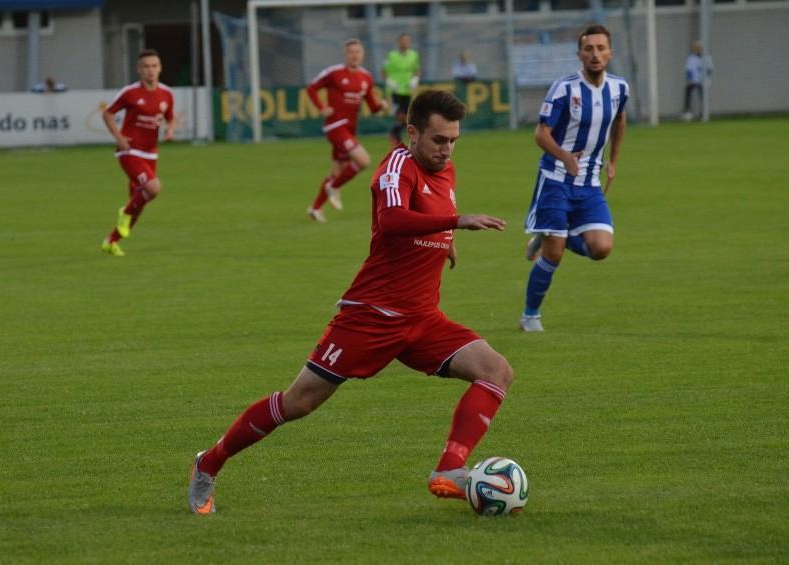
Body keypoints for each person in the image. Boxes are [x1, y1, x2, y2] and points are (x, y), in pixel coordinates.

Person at [188, 89, 513, 515]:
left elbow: (422, 219)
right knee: (299, 402)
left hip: (422, 319)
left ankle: (449, 469)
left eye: (453, 140)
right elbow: (394, 219)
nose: (446, 150)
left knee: (496, 371)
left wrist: (443, 241)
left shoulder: (445, 171)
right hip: (370, 317)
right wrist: (456, 222)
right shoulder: (395, 167)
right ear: (412, 133)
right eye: (438, 140)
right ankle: (208, 463)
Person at [519, 24, 628, 332]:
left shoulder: (620, 88)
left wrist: (614, 161)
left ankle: (552, 237)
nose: (595, 54)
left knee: (602, 248)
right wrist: (565, 156)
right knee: (552, 256)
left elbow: (620, 118)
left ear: (610, 53)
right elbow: (541, 134)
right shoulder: (564, 88)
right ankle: (530, 315)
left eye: (601, 48)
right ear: (579, 54)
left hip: (590, 183)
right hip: (555, 180)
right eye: (589, 49)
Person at [101, 49, 177, 256]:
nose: (150, 71)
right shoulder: (130, 92)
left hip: (151, 153)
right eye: (146, 66)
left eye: (154, 66)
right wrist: (118, 137)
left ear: (160, 68)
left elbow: (170, 117)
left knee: (139, 200)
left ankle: (112, 241)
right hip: (130, 151)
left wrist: (170, 129)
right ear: (139, 69)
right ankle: (123, 213)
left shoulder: (167, 94)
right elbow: (108, 113)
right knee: (153, 188)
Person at [305, 38, 390, 223]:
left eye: (357, 52)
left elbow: (373, 106)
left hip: (350, 130)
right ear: (345, 55)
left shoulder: (366, 77)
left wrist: (381, 105)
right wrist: (321, 107)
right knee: (363, 160)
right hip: (335, 126)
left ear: (362, 55)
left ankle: (315, 208)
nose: (354, 55)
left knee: (337, 171)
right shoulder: (334, 73)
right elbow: (311, 88)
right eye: (351, 52)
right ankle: (334, 187)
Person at [382, 33, 421, 147]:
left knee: (407, 115)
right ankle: (397, 132)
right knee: (400, 115)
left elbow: (417, 70)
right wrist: (389, 81)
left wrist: (415, 79)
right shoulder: (391, 56)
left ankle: (396, 132)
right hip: (395, 89)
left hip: (407, 90)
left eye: (407, 41)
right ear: (399, 42)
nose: (405, 43)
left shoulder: (414, 55)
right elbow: (384, 72)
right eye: (403, 41)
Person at [682, 40, 713, 122]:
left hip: (703, 81)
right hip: (694, 80)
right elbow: (688, 69)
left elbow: (710, 69)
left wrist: (706, 78)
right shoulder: (691, 58)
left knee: (703, 96)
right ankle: (687, 112)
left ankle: (703, 112)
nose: (697, 49)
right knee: (688, 92)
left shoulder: (707, 57)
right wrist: (689, 79)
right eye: (695, 48)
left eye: (698, 48)